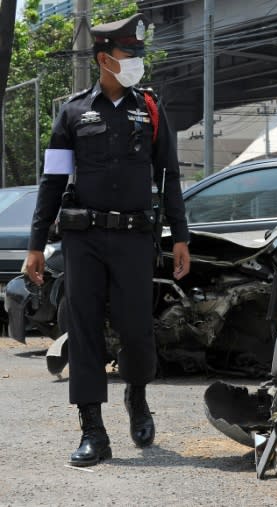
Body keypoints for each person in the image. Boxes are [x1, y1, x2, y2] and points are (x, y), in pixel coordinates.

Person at [24, 12, 190, 467]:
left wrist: (180, 236)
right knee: (84, 330)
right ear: (104, 59)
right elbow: (52, 183)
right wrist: (36, 245)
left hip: (136, 238)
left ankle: (137, 397)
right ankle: (93, 431)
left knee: (137, 329)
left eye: (138, 52)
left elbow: (169, 176)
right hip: (84, 240)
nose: (137, 59)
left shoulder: (150, 108)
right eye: (129, 53)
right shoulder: (73, 111)